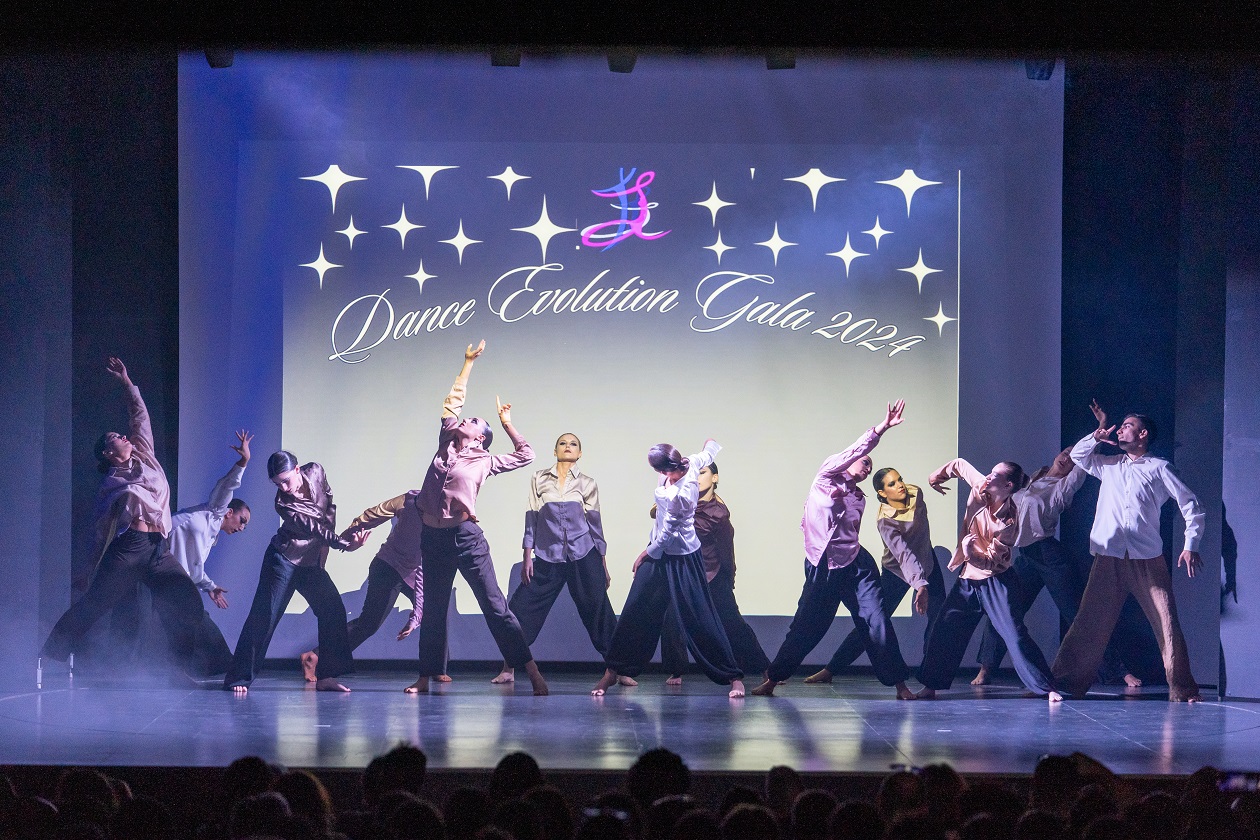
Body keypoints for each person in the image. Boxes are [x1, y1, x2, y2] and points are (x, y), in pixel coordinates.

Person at [41, 358, 204, 681]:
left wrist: (127, 383)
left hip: (159, 549)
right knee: (95, 604)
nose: (124, 436)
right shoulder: (111, 483)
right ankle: (50, 654)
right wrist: (89, 569)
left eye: (123, 434)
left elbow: (139, 417)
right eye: (116, 436)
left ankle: (179, 667)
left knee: (186, 601)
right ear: (107, 452)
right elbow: (101, 530)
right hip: (130, 549)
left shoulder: (146, 456)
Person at [407, 340, 548, 695]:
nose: (465, 420)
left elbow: (527, 455)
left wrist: (507, 424)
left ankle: (530, 669)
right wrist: (468, 362)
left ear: (482, 438)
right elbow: (452, 402)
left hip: (466, 539)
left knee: (495, 608)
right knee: (434, 610)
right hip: (433, 538)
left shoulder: (486, 460)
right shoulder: (445, 442)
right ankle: (424, 677)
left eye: (472, 422)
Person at [751, 401, 915, 699]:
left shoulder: (860, 498)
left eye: (870, 466)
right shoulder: (825, 476)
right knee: (806, 627)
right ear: (849, 460)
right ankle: (773, 680)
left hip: (857, 566)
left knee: (876, 621)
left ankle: (900, 685)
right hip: (823, 566)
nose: (867, 468)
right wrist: (881, 429)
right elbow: (855, 450)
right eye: (864, 462)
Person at [1051, 401, 1204, 703]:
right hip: (1108, 558)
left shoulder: (1159, 468)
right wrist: (1097, 433)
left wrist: (1191, 545)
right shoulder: (1108, 465)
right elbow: (1078, 457)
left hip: (1147, 560)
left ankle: (1184, 689)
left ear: (1143, 434)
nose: (1120, 430)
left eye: (1127, 426)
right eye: (1119, 426)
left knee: (1166, 623)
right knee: (1088, 623)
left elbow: (1191, 504)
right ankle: (1066, 683)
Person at [591, 439, 745, 698]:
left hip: (682, 557)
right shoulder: (689, 464)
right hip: (660, 553)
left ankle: (733, 676)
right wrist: (710, 445)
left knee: (700, 616)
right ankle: (613, 671)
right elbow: (706, 454)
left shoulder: (681, 494)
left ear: (663, 470)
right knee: (634, 610)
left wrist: (646, 553)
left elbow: (668, 533)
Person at [492, 433, 634, 686]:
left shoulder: (587, 483)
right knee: (522, 609)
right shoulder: (539, 478)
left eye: (573, 444)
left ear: (580, 453)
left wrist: (602, 561)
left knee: (599, 610)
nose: (568, 447)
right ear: (555, 450)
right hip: (548, 555)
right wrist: (527, 554)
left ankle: (619, 669)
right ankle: (508, 668)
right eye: (562, 443)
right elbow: (531, 518)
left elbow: (595, 524)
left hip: (584, 553)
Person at [915, 457, 1062, 701]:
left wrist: (970, 552)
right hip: (968, 579)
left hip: (996, 581)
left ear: (1008, 486)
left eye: (996, 475)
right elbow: (960, 465)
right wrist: (935, 477)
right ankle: (930, 686)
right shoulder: (981, 486)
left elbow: (992, 561)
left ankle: (1047, 687)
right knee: (945, 629)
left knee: (1014, 634)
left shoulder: (1010, 521)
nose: (989, 477)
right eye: (991, 472)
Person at [222, 451, 368, 694]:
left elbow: (329, 506)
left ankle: (326, 677)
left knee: (332, 610)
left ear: (298, 469)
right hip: (283, 561)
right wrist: (343, 544)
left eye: (286, 480)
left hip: (309, 562)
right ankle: (238, 677)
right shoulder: (283, 504)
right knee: (264, 617)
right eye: (277, 484)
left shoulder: (317, 471)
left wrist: (327, 548)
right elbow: (313, 528)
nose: (283, 488)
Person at [801, 466, 947, 685]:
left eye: (900, 479)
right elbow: (903, 554)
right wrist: (920, 584)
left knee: (939, 620)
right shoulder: (885, 520)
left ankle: (930, 678)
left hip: (928, 562)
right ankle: (831, 669)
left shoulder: (916, 493)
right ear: (881, 493)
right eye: (892, 484)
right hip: (897, 570)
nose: (900, 485)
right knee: (874, 623)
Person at [298, 487, 453, 686]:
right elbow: (375, 514)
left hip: (412, 572)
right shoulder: (413, 500)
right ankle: (315, 656)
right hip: (388, 567)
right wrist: (345, 539)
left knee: (439, 610)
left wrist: (416, 617)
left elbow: (423, 568)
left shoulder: (447, 512)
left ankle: (437, 668)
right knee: (369, 624)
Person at [971, 446, 1086, 686]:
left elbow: (1083, 460)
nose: (1067, 458)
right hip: (1026, 555)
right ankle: (985, 669)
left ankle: (1117, 670)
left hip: (1049, 555)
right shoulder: (1034, 478)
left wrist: (1097, 436)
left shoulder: (1063, 487)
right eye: (1066, 452)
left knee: (1076, 614)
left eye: (1074, 458)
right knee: (1003, 610)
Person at [658, 461, 770, 685]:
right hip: (684, 572)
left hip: (712, 573)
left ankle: (764, 667)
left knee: (732, 623)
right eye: (693, 474)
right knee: (672, 620)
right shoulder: (682, 502)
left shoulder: (719, 513)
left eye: (702, 473)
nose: (696, 478)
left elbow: (726, 550)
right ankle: (677, 670)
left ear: (715, 478)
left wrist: (729, 578)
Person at [164, 430, 254, 676]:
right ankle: (220, 665)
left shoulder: (212, 536)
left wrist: (211, 587)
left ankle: (204, 667)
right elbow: (227, 484)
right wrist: (243, 461)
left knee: (188, 620)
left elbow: (194, 568)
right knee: (192, 617)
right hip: (157, 556)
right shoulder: (215, 511)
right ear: (229, 512)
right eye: (242, 520)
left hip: (172, 576)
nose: (242, 527)